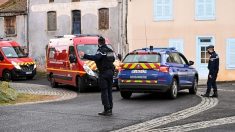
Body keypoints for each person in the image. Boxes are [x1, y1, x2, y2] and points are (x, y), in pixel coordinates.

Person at [79, 36, 115, 116]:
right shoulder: (110, 50)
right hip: (110, 72)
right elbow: (113, 59)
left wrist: (84, 55)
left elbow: (96, 57)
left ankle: (106, 109)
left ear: (99, 43)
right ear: (104, 42)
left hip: (103, 73)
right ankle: (110, 108)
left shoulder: (101, 50)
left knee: (104, 91)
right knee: (109, 91)